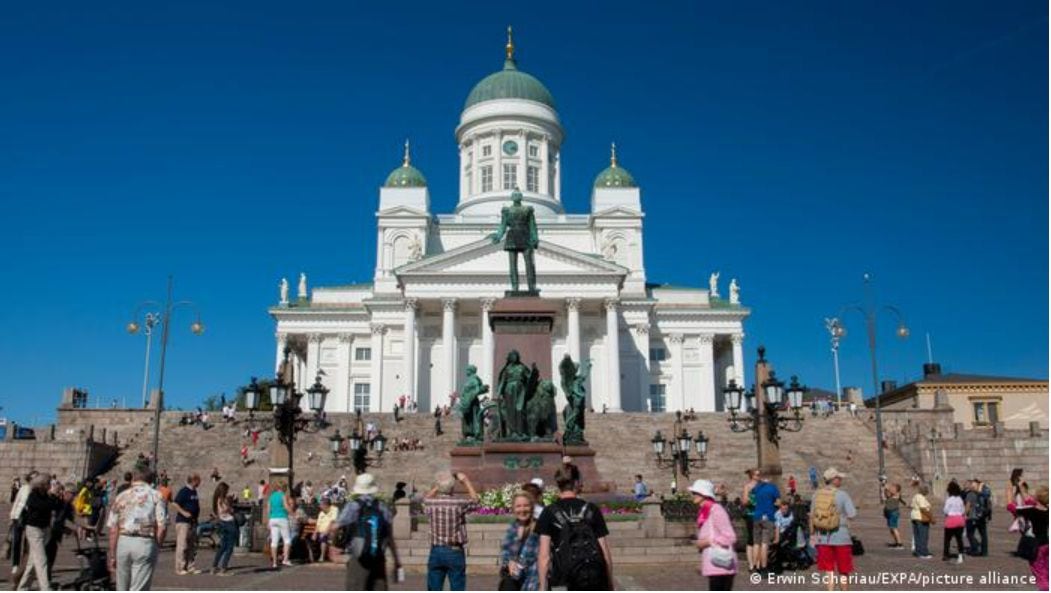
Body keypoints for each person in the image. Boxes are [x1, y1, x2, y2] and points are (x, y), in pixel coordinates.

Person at [536, 465, 612, 591]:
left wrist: (542, 587)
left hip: (563, 581)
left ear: (558, 484)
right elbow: (605, 552)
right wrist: (610, 583)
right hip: (594, 580)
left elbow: (544, 557)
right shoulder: (592, 509)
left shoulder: (548, 512)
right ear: (576, 483)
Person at [328, 474, 401, 590]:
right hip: (378, 559)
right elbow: (390, 538)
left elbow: (335, 527)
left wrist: (333, 546)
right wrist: (397, 561)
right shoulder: (382, 507)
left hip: (358, 559)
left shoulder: (353, 506)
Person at [106, 463, 167, 591]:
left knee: (121, 587)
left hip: (123, 541)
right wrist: (157, 546)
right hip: (144, 541)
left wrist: (112, 555)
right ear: (150, 480)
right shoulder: (156, 495)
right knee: (138, 588)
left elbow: (113, 529)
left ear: (134, 478)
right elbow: (162, 526)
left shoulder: (121, 496)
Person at [422, 471, 479, 590]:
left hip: (436, 550)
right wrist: (466, 481)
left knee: (434, 587)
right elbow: (475, 500)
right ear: (452, 487)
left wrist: (438, 486)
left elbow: (425, 499)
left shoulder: (431, 503)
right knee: (457, 585)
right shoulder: (459, 503)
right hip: (455, 550)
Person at [810, 468, 857, 591]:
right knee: (843, 571)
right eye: (839, 478)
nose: (840, 480)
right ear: (834, 480)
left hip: (823, 537)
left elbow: (812, 516)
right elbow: (852, 514)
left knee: (829, 571)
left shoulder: (816, 494)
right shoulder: (842, 494)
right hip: (841, 536)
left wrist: (813, 537)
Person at [689, 479, 736, 591]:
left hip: (722, 565)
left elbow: (730, 537)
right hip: (714, 564)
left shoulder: (716, 510)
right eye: (693, 493)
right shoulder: (705, 511)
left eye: (696, 493)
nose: (693, 495)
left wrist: (706, 542)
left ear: (704, 494)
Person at [17, 475, 57, 591]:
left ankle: (23, 587)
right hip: (34, 530)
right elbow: (42, 506)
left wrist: (54, 496)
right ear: (42, 485)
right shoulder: (33, 495)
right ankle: (45, 588)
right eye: (48, 483)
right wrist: (53, 495)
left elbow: (54, 506)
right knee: (42, 560)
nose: (50, 485)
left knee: (33, 562)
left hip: (45, 529)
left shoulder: (46, 495)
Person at [499, 491, 540, 591]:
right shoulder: (512, 528)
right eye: (518, 506)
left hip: (533, 581)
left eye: (526, 505)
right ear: (513, 509)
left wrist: (514, 563)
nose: (522, 509)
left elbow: (530, 557)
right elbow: (505, 552)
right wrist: (509, 562)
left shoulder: (539, 528)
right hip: (515, 581)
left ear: (532, 507)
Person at [1015, 485, 1048, 590]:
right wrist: (1022, 488)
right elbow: (1029, 500)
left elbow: (1011, 506)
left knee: (1039, 572)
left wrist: (1010, 488)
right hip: (1047, 544)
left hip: (1037, 545)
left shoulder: (1030, 512)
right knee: (1047, 570)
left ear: (1037, 498)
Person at [749, 469, 780, 574]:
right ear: (770, 478)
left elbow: (752, 498)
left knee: (756, 543)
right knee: (764, 543)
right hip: (768, 516)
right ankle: (763, 567)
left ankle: (754, 567)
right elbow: (778, 501)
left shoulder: (756, 488)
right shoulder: (772, 488)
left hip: (757, 516)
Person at [171, 474, 202, 575]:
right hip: (183, 521)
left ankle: (190, 566)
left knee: (192, 546)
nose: (200, 482)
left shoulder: (194, 491)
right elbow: (175, 503)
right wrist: (184, 512)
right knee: (182, 545)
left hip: (192, 521)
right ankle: (179, 567)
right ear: (193, 480)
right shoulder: (184, 491)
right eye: (199, 480)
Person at [45, 483, 77, 577]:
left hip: (55, 535)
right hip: (46, 535)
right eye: (73, 494)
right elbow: (54, 523)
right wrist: (67, 530)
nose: (74, 497)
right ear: (66, 493)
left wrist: (86, 526)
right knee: (40, 561)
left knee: (50, 558)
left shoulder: (67, 505)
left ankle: (47, 580)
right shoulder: (57, 503)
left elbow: (73, 518)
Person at [265, 480, 294, 569]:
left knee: (274, 541)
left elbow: (268, 509)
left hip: (273, 519)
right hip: (282, 518)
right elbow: (286, 506)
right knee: (287, 540)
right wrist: (293, 513)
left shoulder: (271, 496)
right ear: (284, 488)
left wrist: (269, 520)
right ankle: (285, 559)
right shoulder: (283, 495)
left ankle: (274, 562)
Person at [211, 482, 237, 575]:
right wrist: (230, 507)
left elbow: (218, 512)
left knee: (222, 547)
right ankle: (223, 568)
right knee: (229, 547)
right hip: (229, 522)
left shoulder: (217, 499)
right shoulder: (223, 500)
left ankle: (214, 567)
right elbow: (226, 510)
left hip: (222, 522)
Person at [964, 478, 990, 557]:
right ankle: (984, 552)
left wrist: (965, 514)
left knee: (970, 534)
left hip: (972, 517)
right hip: (982, 516)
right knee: (983, 535)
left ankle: (975, 548)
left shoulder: (970, 494)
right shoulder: (984, 494)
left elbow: (968, 506)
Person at [942, 481, 966, 563]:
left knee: (947, 539)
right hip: (959, 519)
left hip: (951, 519)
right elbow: (963, 510)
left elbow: (945, 510)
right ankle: (960, 554)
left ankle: (946, 555)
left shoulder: (949, 499)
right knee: (959, 539)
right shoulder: (960, 499)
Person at [741, 468, 759, 571]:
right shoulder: (747, 486)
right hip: (751, 514)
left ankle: (758, 563)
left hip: (761, 514)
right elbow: (744, 501)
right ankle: (751, 564)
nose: (759, 476)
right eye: (757, 475)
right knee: (751, 539)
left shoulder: (761, 486)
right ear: (752, 476)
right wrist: (752, 501)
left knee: (760, 540)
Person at [909, 483, 934, 559]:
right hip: (921, 517)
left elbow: (911, 505)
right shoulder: (921, 497)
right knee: (923, 535)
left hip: (914, 517)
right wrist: (931, 518)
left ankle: (918, 551)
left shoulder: (915, 496)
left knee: (917, 535)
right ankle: (923, 552)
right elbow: (923, 508)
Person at [313, 498, 338, 562]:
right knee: (321, 537)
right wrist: (315, 533)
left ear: (325, 505)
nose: (319, 506)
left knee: (327, 536)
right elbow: (318, 525)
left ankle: (327, 556)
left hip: (331, 530)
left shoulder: (334, 509)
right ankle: (322, 556)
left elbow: (332, 522)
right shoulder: (321, 513)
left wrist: (326, 531)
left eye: (321, 505)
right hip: (321, 531)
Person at [883, 483, 905, 548]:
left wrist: (888, 488)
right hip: (889, 513)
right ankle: (896, 542)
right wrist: (885, 490)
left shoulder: (897, 494)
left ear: (897, 489)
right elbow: (887, 495)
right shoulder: (891, 494)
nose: (891, 488)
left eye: (893, 487)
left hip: (894, 513)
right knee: (891, 529)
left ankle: (900, 543)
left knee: (894, 528)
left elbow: (892, 493)